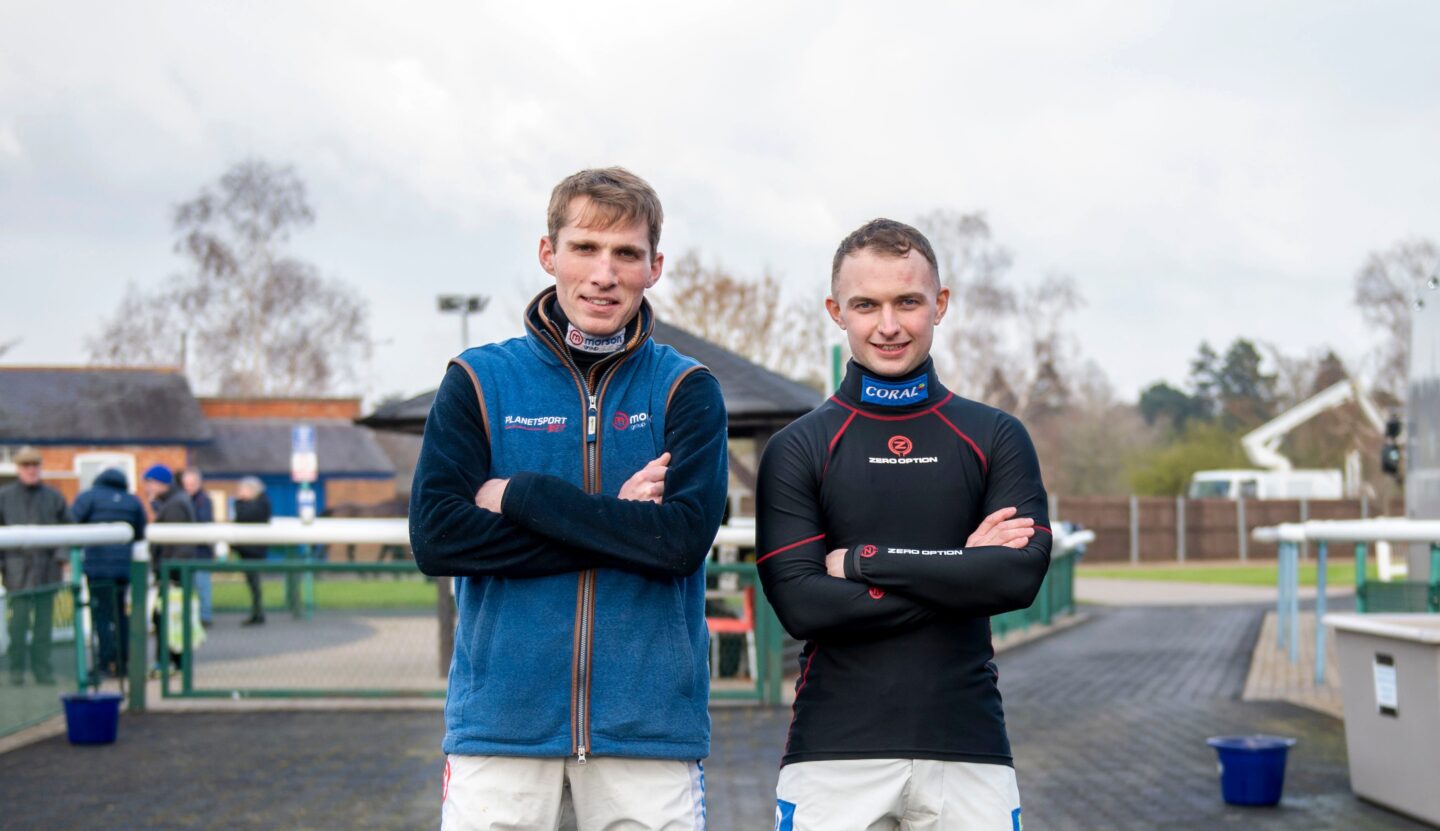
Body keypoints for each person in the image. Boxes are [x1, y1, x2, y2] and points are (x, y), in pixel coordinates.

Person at [409, 167, 728, 830]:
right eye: (584, 247)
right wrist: (618, 518)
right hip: (500, 725)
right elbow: (439, 537)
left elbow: (680, 541)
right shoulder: (477, 379)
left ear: (655, 266)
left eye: (626, 253)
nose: (603, 274)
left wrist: (523, 495)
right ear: (548, 253)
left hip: (649, 731)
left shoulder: (687, 389)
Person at [755, 219, 1052, 830]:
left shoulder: (996, 436)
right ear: (837, 311)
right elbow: (804, 607)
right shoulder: (798, 447)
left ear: (939, 305)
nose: (888, 326)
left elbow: (1017, 580)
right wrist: (962, 571)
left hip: (969, 748)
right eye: (867, 305)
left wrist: (863, 562)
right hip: (832, 754)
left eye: (907, 302)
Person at [0, 446, 71, 685]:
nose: (31, 470)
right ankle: (17, 671)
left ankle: (42, 670)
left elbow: (67, 529)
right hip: (17, 572)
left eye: (34, 465)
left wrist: (61, 557)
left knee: (43, 625)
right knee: (17, 625)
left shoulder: (53, 496)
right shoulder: (5, 497)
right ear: (19, 469)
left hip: (47, 571)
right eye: (26, 466)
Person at [71, 468, 147, 677]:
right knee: (120, 614)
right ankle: (122, 662)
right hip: (123, 568)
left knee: (101, 616)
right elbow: (140, 531)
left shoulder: (88, 497)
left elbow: (72, 523)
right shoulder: (132, 501)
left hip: (97, 567)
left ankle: (105, 663)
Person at [141, 464, 196, 670]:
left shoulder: (174, 505)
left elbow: (178, 543)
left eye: (149, 483)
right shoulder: (173, 502)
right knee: (168, 617)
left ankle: (168, 662)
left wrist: (168, 573)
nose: (147, 488)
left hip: (173, 573)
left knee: (166, 618)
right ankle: (171, 661)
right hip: (173, 571)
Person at [232, 476, 271, 625]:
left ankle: (258, 613)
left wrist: (239, 502)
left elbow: (243, 517)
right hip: (249, 548)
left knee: (254, 583)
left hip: (253, 550)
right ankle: (257, 612)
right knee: (253, 584)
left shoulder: (259, 504)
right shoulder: (258, 503)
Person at [180, 468, 215, 625]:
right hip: (186, 551)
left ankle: (205, 616)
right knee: (187, 587)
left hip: (201, 551)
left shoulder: (204, 500)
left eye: (192, 484)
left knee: (203, 586)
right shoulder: (181, 499)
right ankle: (189, 616)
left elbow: (202, 521)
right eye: (186, 484)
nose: (189, 487)